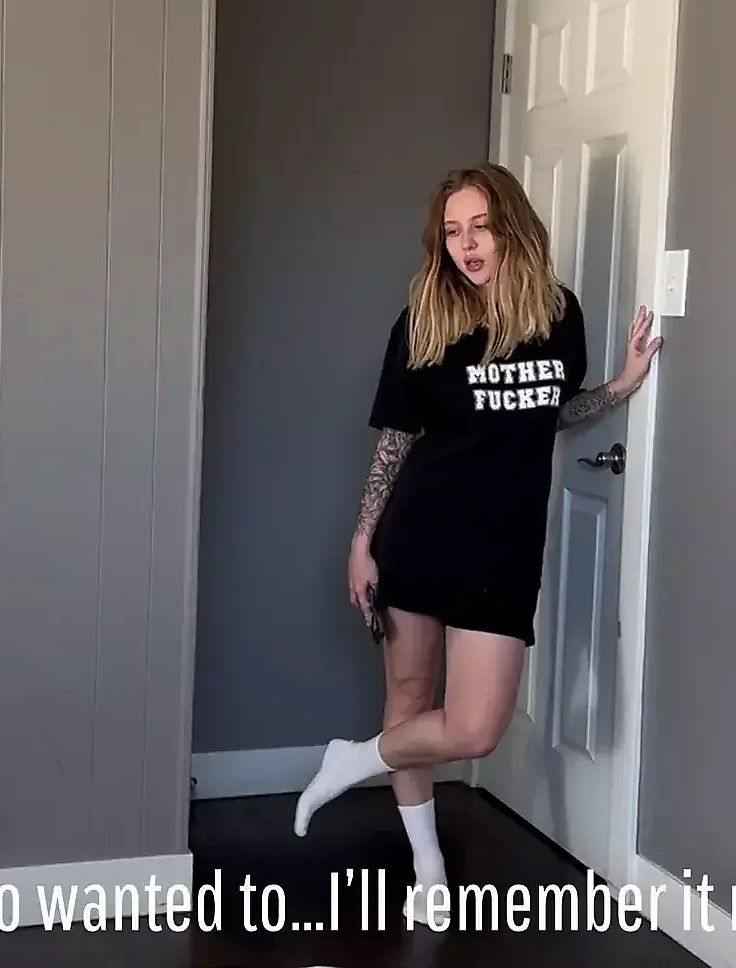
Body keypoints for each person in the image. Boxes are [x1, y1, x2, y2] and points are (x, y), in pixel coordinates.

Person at [291, 162, 663, 929]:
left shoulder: (558, 314)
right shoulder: (425, 319)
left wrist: (622, 386)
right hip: (419, 537)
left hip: (502, 548)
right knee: (408, 700)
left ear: (512, 228)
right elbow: (397, 439)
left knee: (475, 728)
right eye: (453, 232)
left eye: (481, 227)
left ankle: (354, 758)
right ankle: (428, 872)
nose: (466, 246)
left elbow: (548, 411)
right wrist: (362, 540)